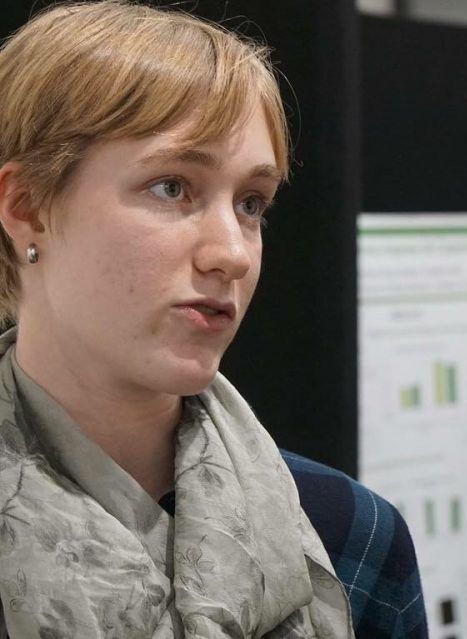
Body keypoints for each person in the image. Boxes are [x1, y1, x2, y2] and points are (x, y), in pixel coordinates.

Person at [0, 2, 427, 638]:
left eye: (252, 203)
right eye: (172, 187)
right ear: (27, 206)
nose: (231, 252)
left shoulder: (350, 533)